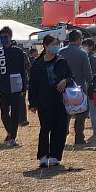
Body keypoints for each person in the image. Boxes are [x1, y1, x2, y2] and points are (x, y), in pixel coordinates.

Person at [28, 34, 73, 167]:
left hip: (60, 100)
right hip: (44, 100)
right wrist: (32, 102)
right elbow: (32, 84)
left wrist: (65, 81)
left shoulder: (62, 61)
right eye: (53, 44)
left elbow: (71, 78)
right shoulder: (37, 63)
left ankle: (55, 156)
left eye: (57, 44)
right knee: (45, 128)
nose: (56, 47)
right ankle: (42, 156)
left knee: (59, 128)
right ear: (45, 46)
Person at [0, 26, 29, 146]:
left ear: (11, 37)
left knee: (16, 112)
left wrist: (24, 86)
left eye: (5, 37)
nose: (3, 39)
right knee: (4, 113)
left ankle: (12, 136)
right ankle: (10, 132)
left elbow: (24, 70)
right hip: (3, 87)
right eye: (1, 37)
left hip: (16, 87)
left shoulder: (19, 52)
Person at [58, 29, 93, 145]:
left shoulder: (60, 52)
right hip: (79, 88)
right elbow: (88, 74)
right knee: (81, 113)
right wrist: (90, 86)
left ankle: (62, 135)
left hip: (63, 88)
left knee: (65, 113)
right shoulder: (82, 53)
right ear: (78, 40)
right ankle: (79, 137)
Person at [83, 38, 96, 138]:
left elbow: (94, 73)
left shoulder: (92, 58)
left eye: (85, 45)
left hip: (93, 87)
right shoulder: (89, 57)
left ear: (90, 47)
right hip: (92, 87)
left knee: (94, 111)